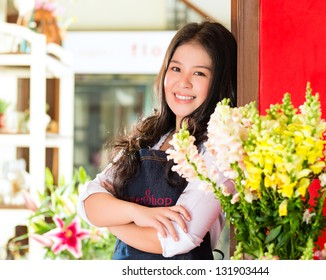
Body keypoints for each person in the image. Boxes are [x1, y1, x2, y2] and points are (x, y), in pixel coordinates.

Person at [77, 20, 237, 260]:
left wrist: (113, 222)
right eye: (176, 69)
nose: (183, 82)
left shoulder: (219, 148)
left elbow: (178, 239)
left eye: (199, 73)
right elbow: (88, 202)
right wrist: (137, 213)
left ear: (220, 82)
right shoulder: (149, 138)